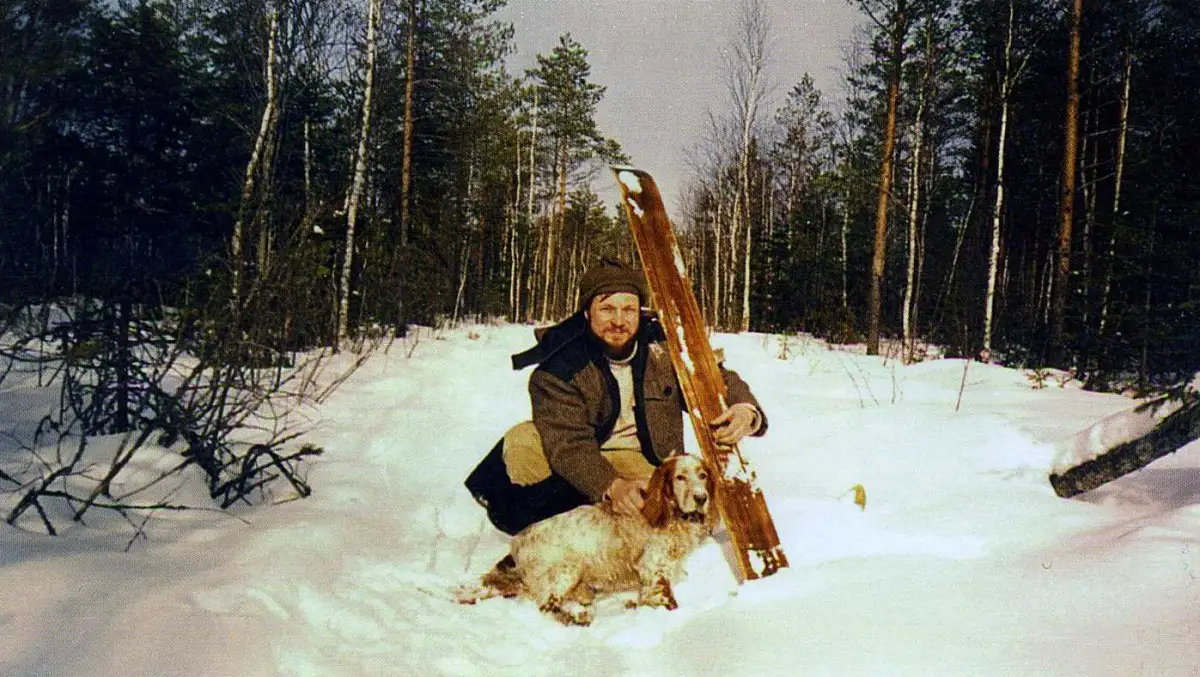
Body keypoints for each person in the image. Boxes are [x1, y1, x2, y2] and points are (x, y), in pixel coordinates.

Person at [465, 257, 767, 534]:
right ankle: (547, 521)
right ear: (587, 312)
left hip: (644, 458)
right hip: (584, 456)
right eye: (607, 308)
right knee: (523, 440)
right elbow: (569, 446)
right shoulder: (559, 368)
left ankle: (598, 512)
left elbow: (716, 377)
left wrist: (744, 409)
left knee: (664, 508)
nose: (619, 320)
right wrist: (611, 485)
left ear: (641, 312)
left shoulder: (663, 349)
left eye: (629, 309)